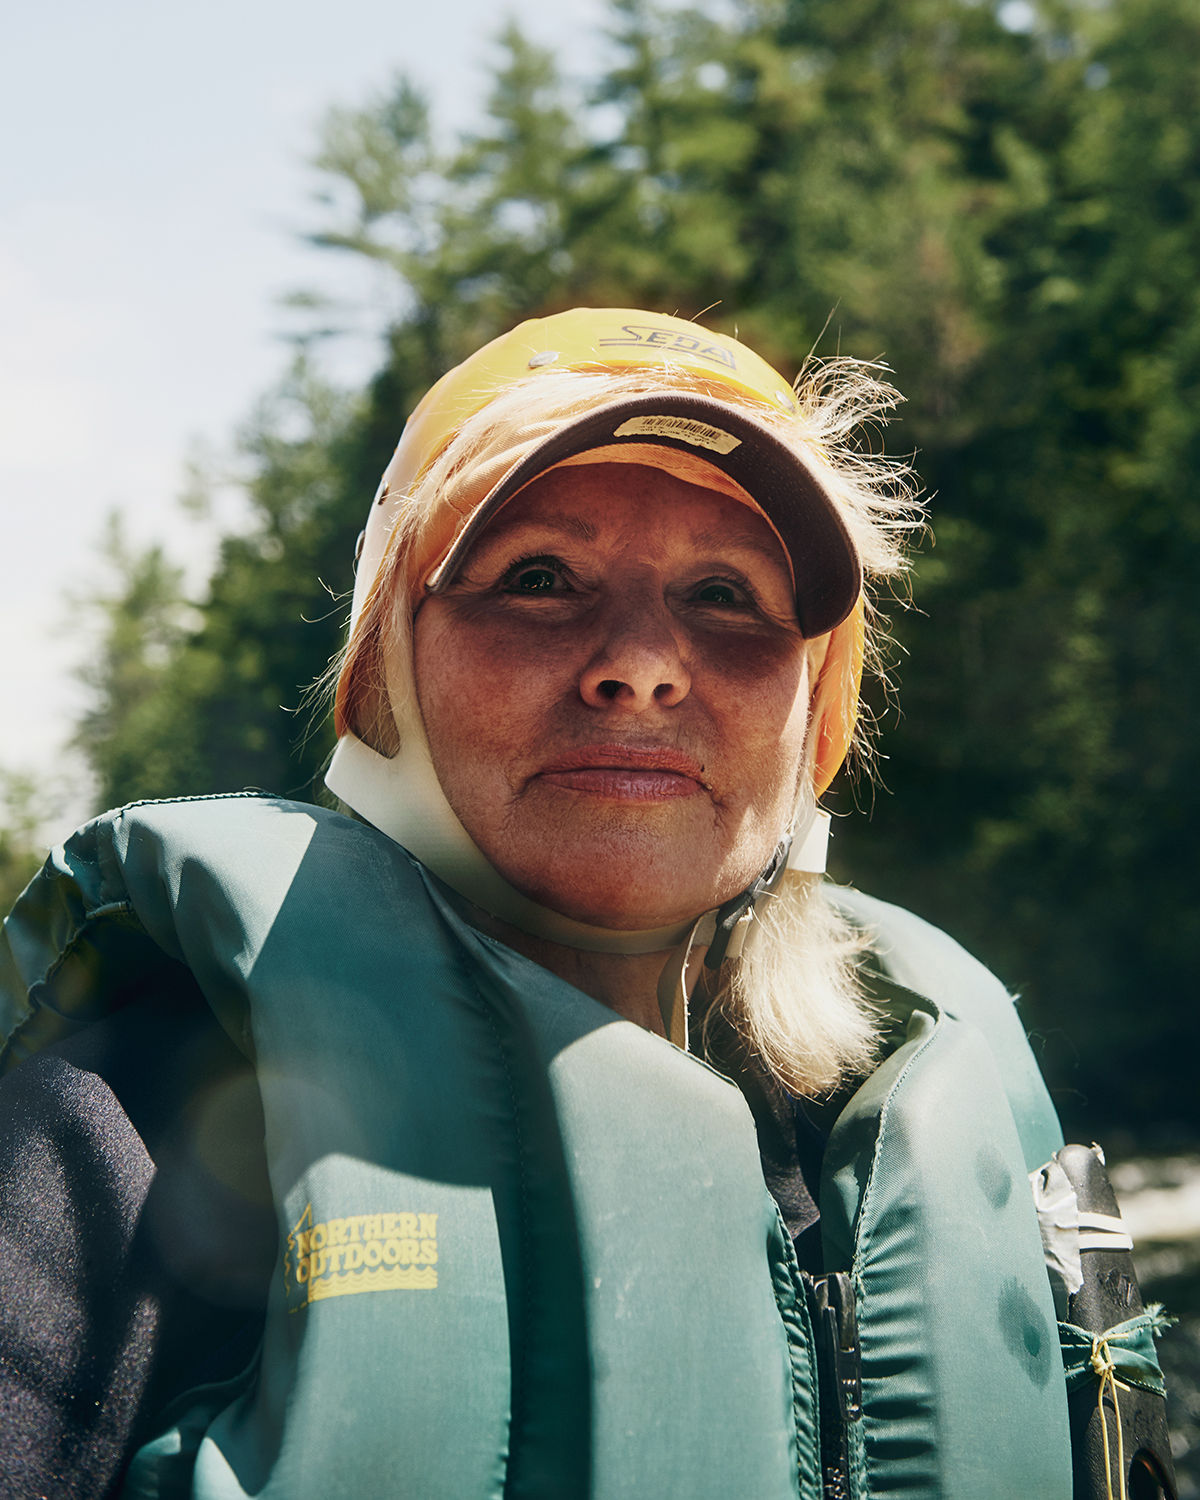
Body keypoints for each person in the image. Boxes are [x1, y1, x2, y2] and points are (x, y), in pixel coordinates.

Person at [0, 309, 1166, 1500]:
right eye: (540, 578)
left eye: (725, 592)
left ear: (815, 717)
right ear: (384, 681)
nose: (641, 663)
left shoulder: (942, 1126)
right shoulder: (123, 1129)